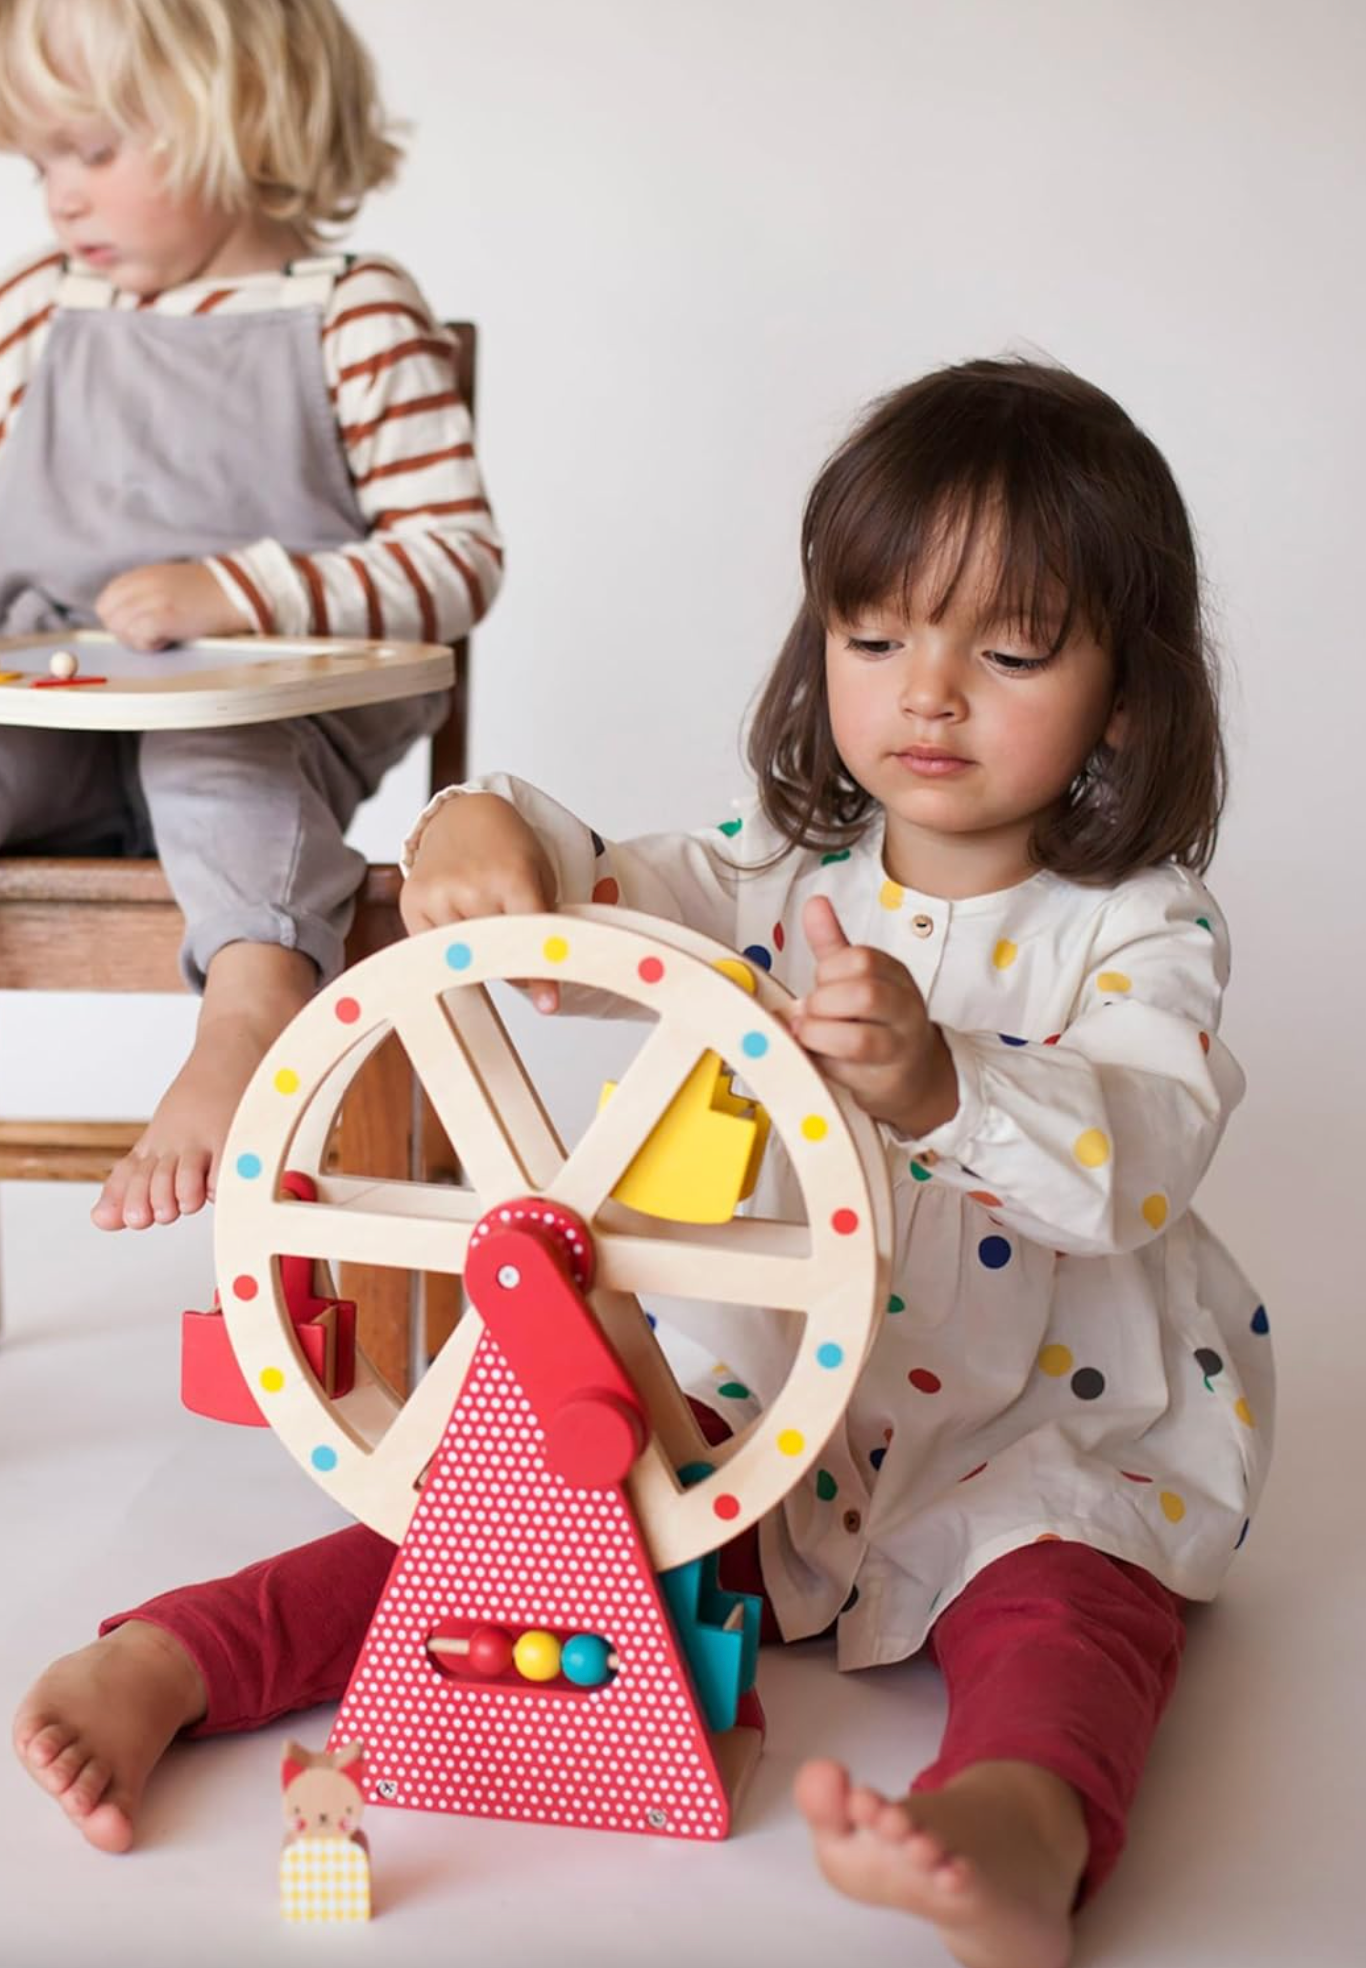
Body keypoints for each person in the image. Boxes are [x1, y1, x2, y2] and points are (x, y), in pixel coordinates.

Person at [13, 359, 1271, 1968]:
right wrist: (486, 833)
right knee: (507, 1511)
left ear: (1125, 692)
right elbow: (581, 891)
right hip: (753, 1411)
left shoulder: (1144, 929)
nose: (928, 692)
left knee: (1071, 1610)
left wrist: (940, 1080)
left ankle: (1014, 1822)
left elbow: (1141, 1153)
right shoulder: (764, 877)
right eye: (875, 638)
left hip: (1037, 1430)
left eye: (1009, 649)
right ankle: (180, 1660)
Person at [0, 0, 502, 1234]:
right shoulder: (32, 313)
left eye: (96, 151)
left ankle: (252, 998)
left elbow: (456, 561)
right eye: (39, 161)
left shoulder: (354, 314)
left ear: (242, 119)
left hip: (266, 707)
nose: (60, 197)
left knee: (212, 744)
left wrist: (235, 593)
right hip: (57, 710)